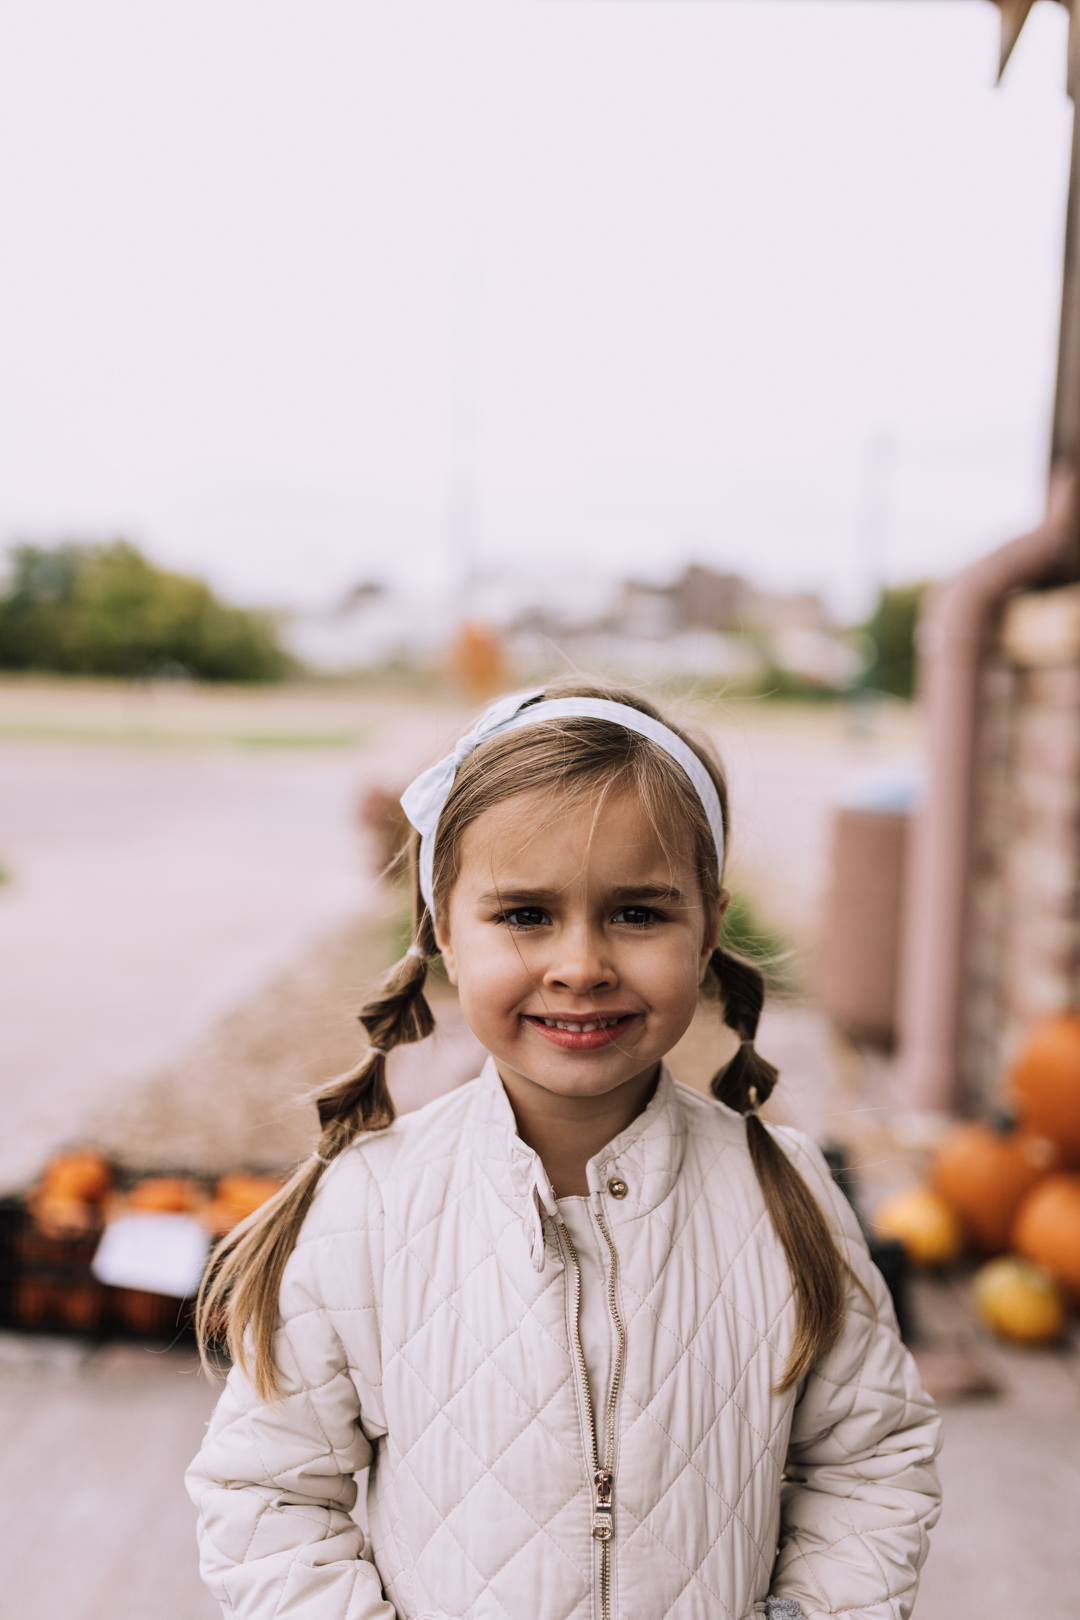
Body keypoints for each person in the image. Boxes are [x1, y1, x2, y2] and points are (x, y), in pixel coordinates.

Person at [187, 679, 941, 1620]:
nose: (580, 965)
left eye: (636, 913)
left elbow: (869, 1463)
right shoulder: (370, 1207)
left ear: (708, 926)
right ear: (445, 936)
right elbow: (267, 1494)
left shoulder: (787, 1202)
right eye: (525, 914)